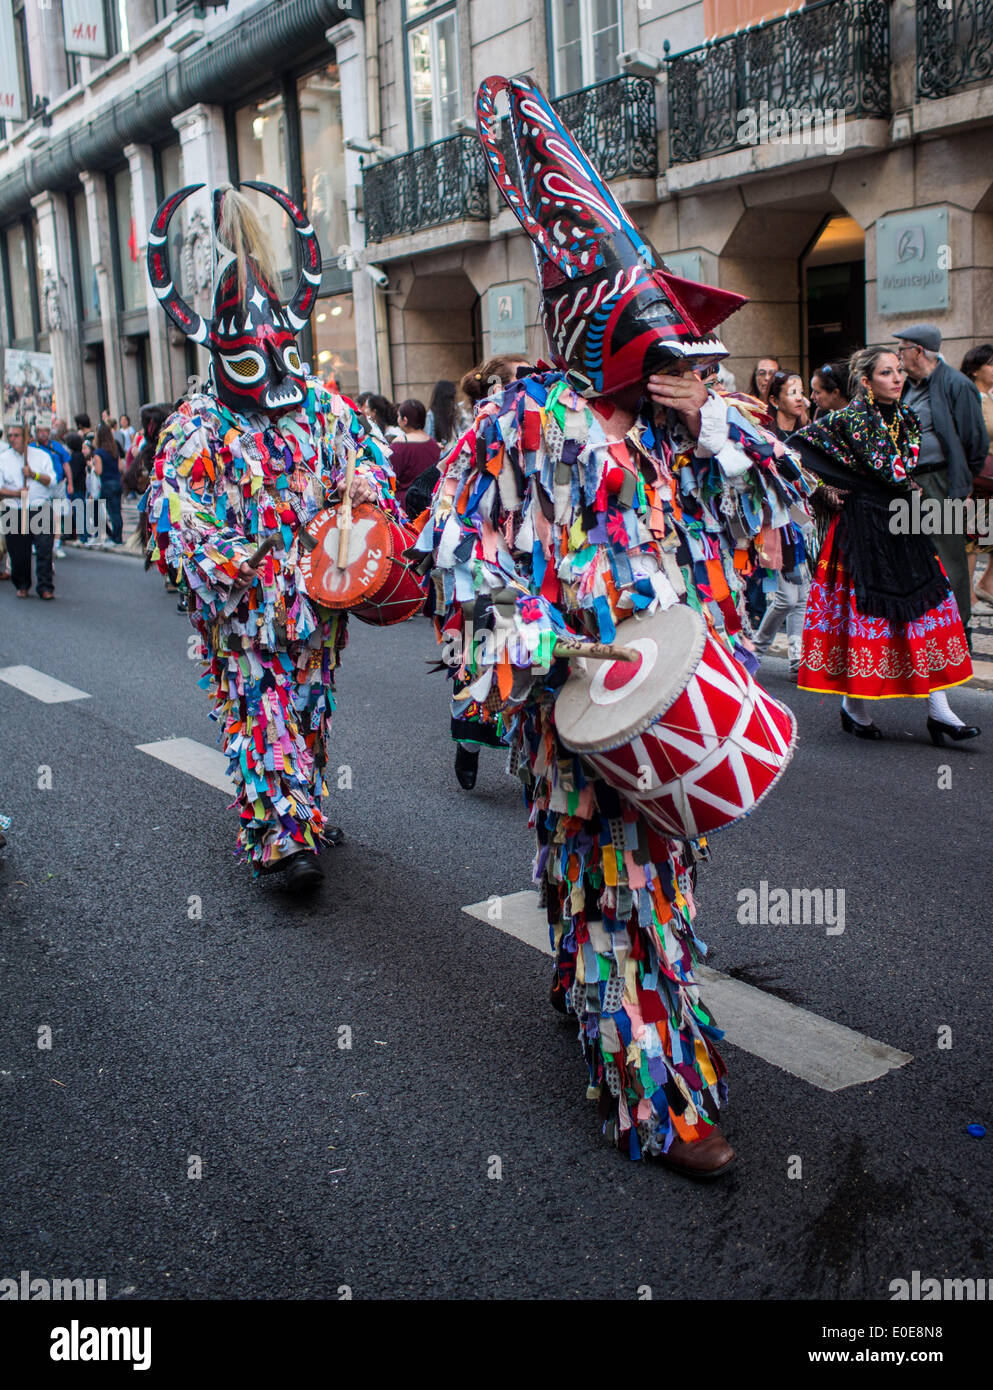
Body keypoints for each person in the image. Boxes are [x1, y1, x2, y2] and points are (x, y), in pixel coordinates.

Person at [417, 75, 811, 1175]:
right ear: (600, 329)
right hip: (571, 701)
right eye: (667, 341)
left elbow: (777, 518)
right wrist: (541, 637)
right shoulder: (521, 416)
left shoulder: (686, 432)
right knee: (610, 883)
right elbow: (446, 550)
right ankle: (658, 1101)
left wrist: (724, 426)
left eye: (687, 347)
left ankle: (594, 992)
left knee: (642, 882)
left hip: (665, 696)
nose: (683, 357)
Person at [144, 180, 401, 891]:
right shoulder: (197, 428)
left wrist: (361, 490)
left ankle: (302, 806)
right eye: (257, 363)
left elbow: (368, 465)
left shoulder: (324, 410)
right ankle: (281, 833)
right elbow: (176, 521)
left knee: (310, 705)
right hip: (247, 611)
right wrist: (243, 564)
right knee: (264, 704)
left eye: (285, 357)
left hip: (318, 599)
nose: (278, 377)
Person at [794, 346, 977, 744]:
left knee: (928, 608)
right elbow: (792, 454)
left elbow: (903, 472)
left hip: (903, 520)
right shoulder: (843, 421)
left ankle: (939, 711)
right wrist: (823, 489)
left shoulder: (908, 418)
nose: (897, 379)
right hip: (861, 528)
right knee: (869, 621)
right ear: (865, 381)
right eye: (886, 373)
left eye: (898, 372)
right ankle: (855, 708)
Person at [895, 323, 989, 640]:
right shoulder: (909, 386)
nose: (899, 355)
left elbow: (975, 442)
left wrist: (959, 481)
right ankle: (922, 623)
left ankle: (958, 629)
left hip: (940, 480)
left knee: (948, 555)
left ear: (919, 352)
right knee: (912, 553)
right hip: (911, 483)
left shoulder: (956, 384)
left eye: (903, 348)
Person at [0, 421, 57, 599]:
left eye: (16, 435)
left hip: (39, 508)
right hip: (14, 510)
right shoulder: (3, 459)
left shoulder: (41, 456)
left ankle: (45, 586)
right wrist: (16, 493)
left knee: (45, 550)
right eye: (10, 436)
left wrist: (34, 475)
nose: (12, 439)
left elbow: (52, 481)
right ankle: (22, 584)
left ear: (27, 437)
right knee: (18, 553)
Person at [959, 344, 993, 608]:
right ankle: (968, 592)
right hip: (978, 476)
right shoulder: (970, 398)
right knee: (972, 536)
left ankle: (986, 583)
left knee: (987, 534)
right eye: (990, 364)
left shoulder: (989, 398)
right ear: (975, 369)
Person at [387, 399, 441, 510]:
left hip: (405, 504)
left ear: (405, 420)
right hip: (430, 502)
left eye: (398, 416)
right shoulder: (433, 444)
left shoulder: (399, 444)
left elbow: (391, 475)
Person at [34, 421, 72, 559]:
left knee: (58, 516)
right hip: (40, 487)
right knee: (40, 516)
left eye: (46, 431)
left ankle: (56, 545)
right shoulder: (32, 448)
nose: (43, 434)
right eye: (40, 431)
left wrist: (70, 483)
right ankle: (37, 543)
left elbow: (66, 464)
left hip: (58, 485)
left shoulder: (57, 446)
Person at [93, 423, 124, 545]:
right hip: (117, 482)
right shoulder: (114, 449)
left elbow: (99, 471)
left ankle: (115, 537)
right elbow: (120, 467)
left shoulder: (98, 452)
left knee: (109, 512)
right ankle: (118, 536)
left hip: (107, 484)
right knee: (117, 511)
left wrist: (93, 467)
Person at [424, 380, 459, 451]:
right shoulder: (431, 415)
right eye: (450, 398)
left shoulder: (453, 412)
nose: (453, 401)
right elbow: (429, 440)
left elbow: (459, 434)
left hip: (455, 454)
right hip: (442, 457)